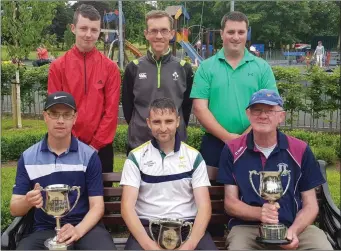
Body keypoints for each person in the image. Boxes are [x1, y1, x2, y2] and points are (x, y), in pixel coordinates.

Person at [217, 89, 333, 250]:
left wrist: (293, 231)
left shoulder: (300, 149)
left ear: (281, 116)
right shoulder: (232, 149)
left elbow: (311, 205)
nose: (263, 116)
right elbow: (230, 203)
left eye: (270, 110)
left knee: (322, 247)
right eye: (257, 110)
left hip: (294, 225)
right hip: (248, 229)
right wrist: (260, 213)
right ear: (248, 114)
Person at [10, 91, 116, 250]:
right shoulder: (28, 157)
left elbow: (97, 206)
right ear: (45, 116)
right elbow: (14, 208)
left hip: (85, 228)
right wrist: (28, 201)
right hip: (44, 229)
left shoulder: (89, 156)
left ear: (75, 118)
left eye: (67, 115)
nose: (60, 120)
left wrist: (78, 230)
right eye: (54, 114)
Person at [120, 97, 217, 250]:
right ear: (148, 123)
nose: (163, 128)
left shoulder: (194, 157)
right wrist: (149, 246)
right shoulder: (136, 157)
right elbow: (127, 207)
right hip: (147, 228)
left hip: (187, 228)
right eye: (157, 122)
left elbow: (204, 207)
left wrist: (190, 245)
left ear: (178, 121)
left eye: (169, 121)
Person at [190, 11, 278, 174]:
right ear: (222, 34)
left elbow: (270, 108)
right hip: (214, 143)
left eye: (241, 32)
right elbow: (199, 108)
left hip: (255, 140)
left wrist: (244, 139)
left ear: (247, 34)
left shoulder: (262, 68)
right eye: (231, 32)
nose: (236, 37)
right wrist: (228, 138)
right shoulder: (206, 67)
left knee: (255, 191)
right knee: (213, 193)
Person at [48, 4, 121, 177]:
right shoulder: (58, 67)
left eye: (94, 30)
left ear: (99, 32)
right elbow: (55, 111)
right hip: (66, 144)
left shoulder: (110, 68)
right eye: (83, 28)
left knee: (100, 199)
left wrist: (95, 144)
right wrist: (73, 142)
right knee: (69, 198)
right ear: (73, 28)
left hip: (101, 148)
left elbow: (110, 112)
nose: (89, 34)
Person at [122, 10, 194, 155]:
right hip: (139, 143)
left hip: (175, 145)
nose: (159, 36)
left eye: (164, 31)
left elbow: (186, 107)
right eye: (153, 31)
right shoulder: (133, 67)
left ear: (171, 33)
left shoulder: (183, 68)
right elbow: (128, 107)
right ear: (146, 34)